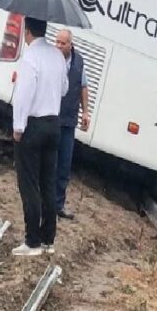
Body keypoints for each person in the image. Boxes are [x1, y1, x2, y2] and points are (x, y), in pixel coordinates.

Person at [11, 18, 68, 257]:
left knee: (29, 183)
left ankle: (32, 240)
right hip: (54, 123)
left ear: (28, 31)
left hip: (33, 124)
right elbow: (64, 88)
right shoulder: (58, 56)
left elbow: (24, 93)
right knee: (48, 182)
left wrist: (18, 125)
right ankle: (48, 239)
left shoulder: (30, 57)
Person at [53, 28, 91, 220]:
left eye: (62, 43)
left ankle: (58, 205)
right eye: (57, 42)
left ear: (71, 45)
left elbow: (83, 87)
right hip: (49, 118)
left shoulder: (79, 62)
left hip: (68, 121)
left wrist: (86, 112)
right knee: (47, 161)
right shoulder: (50, 59)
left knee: (64, 165)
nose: (58, 46)